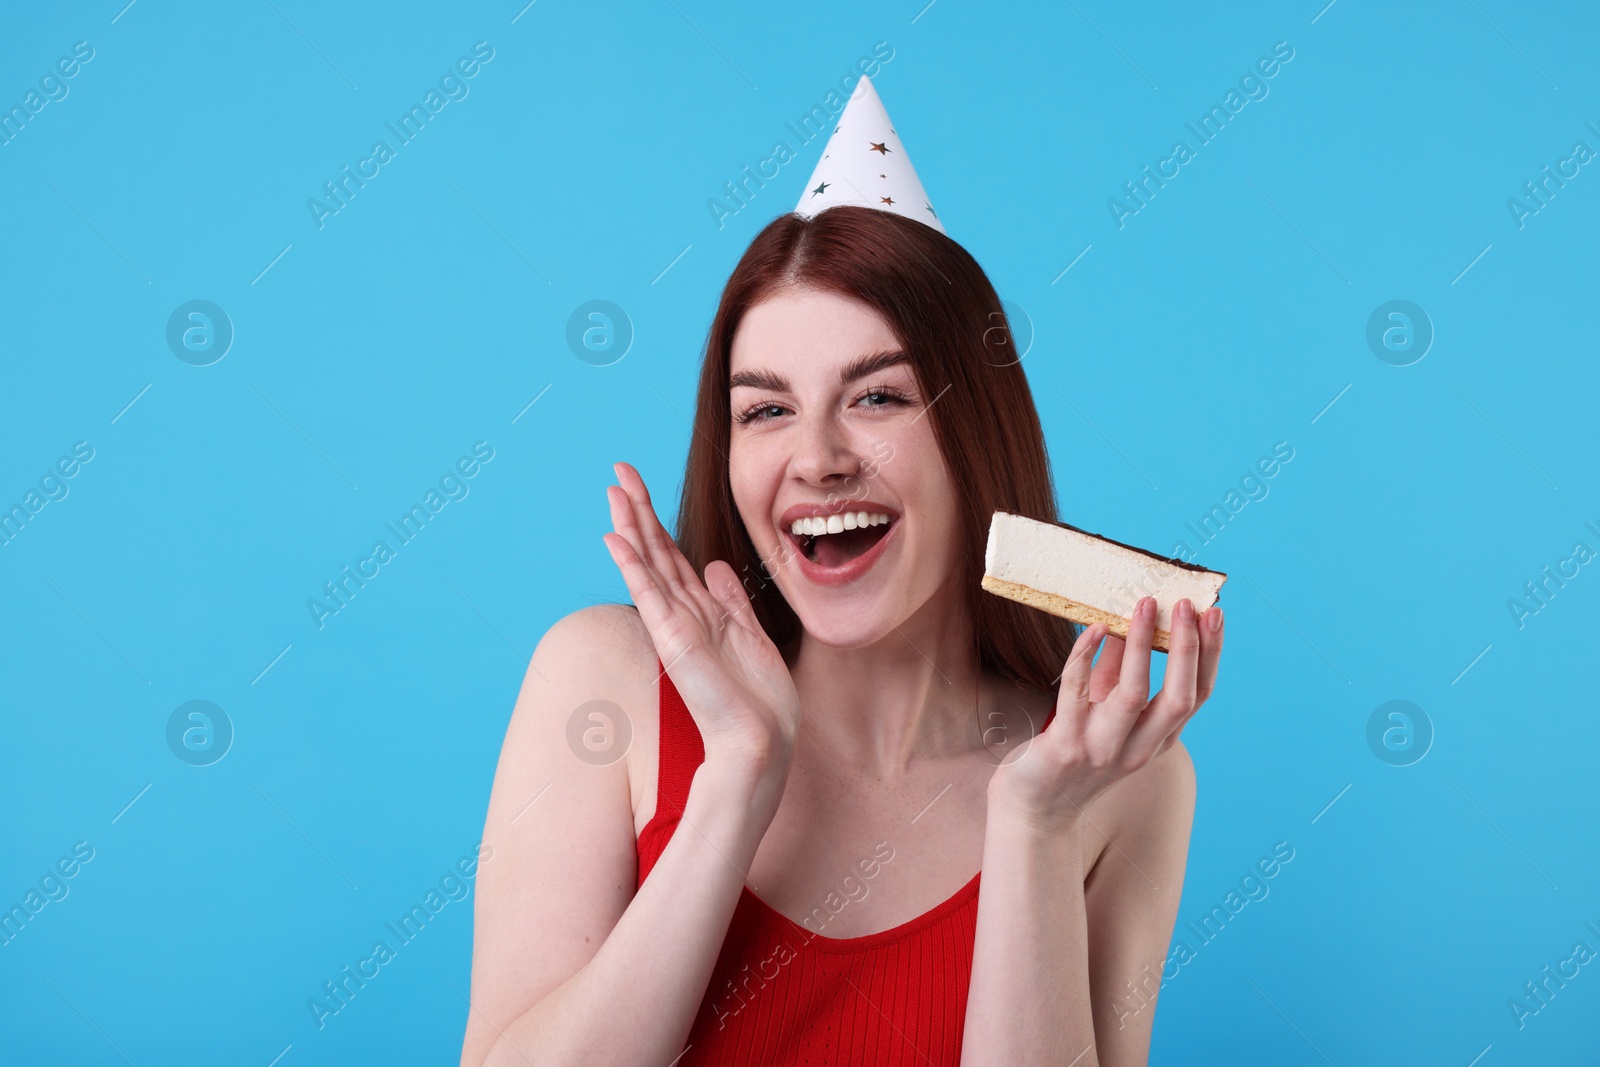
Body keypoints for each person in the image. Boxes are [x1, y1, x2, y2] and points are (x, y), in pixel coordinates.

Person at [458, 199, 1224, 1066]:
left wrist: (1036, 828)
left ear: (974, 432)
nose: (819, 457)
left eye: (878, 396)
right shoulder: (606, 682)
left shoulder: (1121, 777)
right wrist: (738, 775)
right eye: (766, 411)